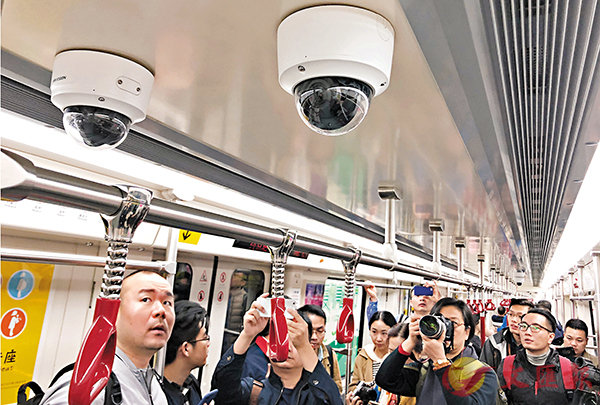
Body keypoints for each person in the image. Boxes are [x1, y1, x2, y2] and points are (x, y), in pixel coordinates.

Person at [41, 269, 175, 404]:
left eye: (167, 303)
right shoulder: (89, 386)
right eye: (146, 299)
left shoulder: (155, 387)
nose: (161, 311)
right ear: (115, 311)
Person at [211, 294, 343, 405]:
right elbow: (222, 388)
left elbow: (333, 400)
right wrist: (247, 335)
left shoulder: (315, 395)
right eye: (278, 341)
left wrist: (304, 347)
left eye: (294, 343)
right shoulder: (253, 392)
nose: (286, 348)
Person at [376, 297, 500, 404]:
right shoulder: (424, 370)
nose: (445, 329)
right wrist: (409, 342)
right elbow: (385, 380)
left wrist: (441, 363)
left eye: (453, 323)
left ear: (467, 332)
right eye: (440, 322)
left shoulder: (483, 374)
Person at [498, 308, 593, 404]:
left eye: (535, 328)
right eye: (523, 326)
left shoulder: (569, 370)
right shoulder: (507, 366)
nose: (527, 332)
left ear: (550, 337)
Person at [163, 300, 210, 405]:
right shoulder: (158, 395)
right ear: (186, 349)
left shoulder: (191, 383)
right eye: (205, 338)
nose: (208, 343)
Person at [298, 304, 342, 392]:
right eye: (309, 330)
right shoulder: (291, 356)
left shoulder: (329, 354)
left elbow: (337, 389)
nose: (314, 337)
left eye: (320, 331)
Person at [480, 298, 534, 370]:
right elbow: (484, 373)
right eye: (511, 314)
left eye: (520, 316)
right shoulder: (493, 343)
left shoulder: (537, 344)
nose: (513, 320)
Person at [348, 311, 396, 392]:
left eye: (384, 333)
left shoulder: (397, 357)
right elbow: (353, 386)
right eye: (374, 332)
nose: (378, 338)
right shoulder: (363, 356)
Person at [364, 282, 441, 324]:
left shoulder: (439, 322)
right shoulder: (400, 320)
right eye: (417, 296)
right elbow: (376, 324)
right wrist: (373, 298)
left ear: (434, 303)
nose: (422, 299)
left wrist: (439, 301)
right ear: (411, 303)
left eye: (426, 296)